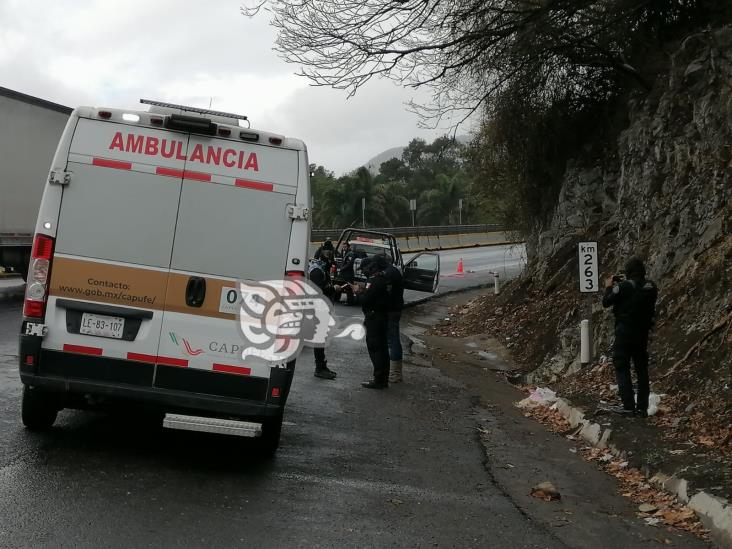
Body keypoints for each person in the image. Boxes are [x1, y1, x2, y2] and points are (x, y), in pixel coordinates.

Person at [602, 257, 658, 417]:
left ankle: (628, 406)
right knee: (641, 368)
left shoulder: (624, 287)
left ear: (628, 272)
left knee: (622, 366)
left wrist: (609, 287)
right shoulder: (651, 287)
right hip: (642, 333)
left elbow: (606, 302)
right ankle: (642, 408)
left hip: (624, 332)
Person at [353, 256, 391, 389]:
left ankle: (379, 379)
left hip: (374, 318)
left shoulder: (374, 281)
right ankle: (383, 378)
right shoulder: (385, 279)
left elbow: (365, 300)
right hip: (382, 317)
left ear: (371, 267)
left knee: (376, 349)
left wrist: (358, 292)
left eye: (364, 269)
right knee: (382, 349)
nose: (363, 272)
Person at [308, 250, 338, 380]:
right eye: (329, 262)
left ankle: (322, 366)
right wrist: (332, 288)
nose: (331, 265)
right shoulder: (316, 271)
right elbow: (318, 291)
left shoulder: (320, 269)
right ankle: (319, 368)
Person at [383, 257, 405, 383]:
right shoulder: (394, 271)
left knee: (392, 339)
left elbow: (386, 292)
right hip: (395, 309)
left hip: (391, 311)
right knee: (391, 339)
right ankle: (394, 371)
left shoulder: (389, 273)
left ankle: (395, 373)